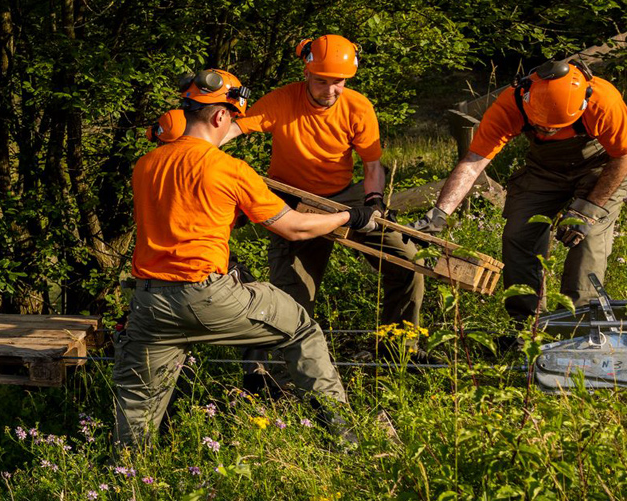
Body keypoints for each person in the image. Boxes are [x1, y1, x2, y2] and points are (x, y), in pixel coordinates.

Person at [116, 68, 368, 447]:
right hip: (205, 295)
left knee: (137, 408)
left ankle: (128, 474)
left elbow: (185, 217)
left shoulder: (146, 166)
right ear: (220, 116)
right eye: (233, 117)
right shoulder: (229, 169)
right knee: (301, 328)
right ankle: (347, 441)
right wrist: (351, 215)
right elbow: (295, 229)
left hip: (149, 302)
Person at [408, 59, 627, 338]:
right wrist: (440, 213)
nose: (550, 132)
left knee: (587, 243)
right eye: (544, 127)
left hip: (602, 169)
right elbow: (475, 160)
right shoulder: (510, 104)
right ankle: (526, 329)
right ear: (526, 99)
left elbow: (622, 156)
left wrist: (588, 209)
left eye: (558, 126)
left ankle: (577, 335)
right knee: (518, 234)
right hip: (544, 170)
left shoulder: (603, 100)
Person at [234, 35, 425, 332]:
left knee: (407, 264)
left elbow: (372, 164)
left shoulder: (357, 107)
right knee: (293, 293)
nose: (331, 90)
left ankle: (400, 348)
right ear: (306, 73)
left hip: (345, 197)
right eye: (322, 81)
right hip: (292, 202)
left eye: (339, 81)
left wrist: (374, 203)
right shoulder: (283, 100)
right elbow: (232, 129)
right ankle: (278, 370)